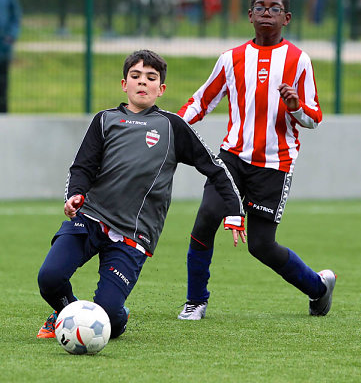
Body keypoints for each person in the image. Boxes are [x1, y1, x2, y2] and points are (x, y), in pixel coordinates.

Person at [37, 49, 244, 339]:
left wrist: (234, 209)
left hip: (134, 235)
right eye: (135, 76)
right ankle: (66, 314)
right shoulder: (105, 120)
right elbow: (82, 167)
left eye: (150, 78)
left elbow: (215, 168)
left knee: (109, 314)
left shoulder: (172, 126)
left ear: (161, 89)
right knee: (49, 278)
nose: (142, 82)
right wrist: (75, 195)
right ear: (124, 84)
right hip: (91, 217)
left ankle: (112, 316)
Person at [177, 0, 336, 321]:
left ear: (287, 18)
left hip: (274, 165)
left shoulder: (299, 61)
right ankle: (195, 301)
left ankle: (319, 289)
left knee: (261, 246)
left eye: (275, 8)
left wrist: (294, 106)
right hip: (232, 159)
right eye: (260, 7)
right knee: (206, 218)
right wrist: (170, 126)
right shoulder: (231, 58)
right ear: (250, 15)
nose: (267, 12)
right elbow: (201, 101)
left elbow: (314, 119)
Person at [0, 0, 21, 112]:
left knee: (2, 83)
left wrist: (11, 36)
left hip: (2, 47)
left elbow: (16, 15)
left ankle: (3, 115)